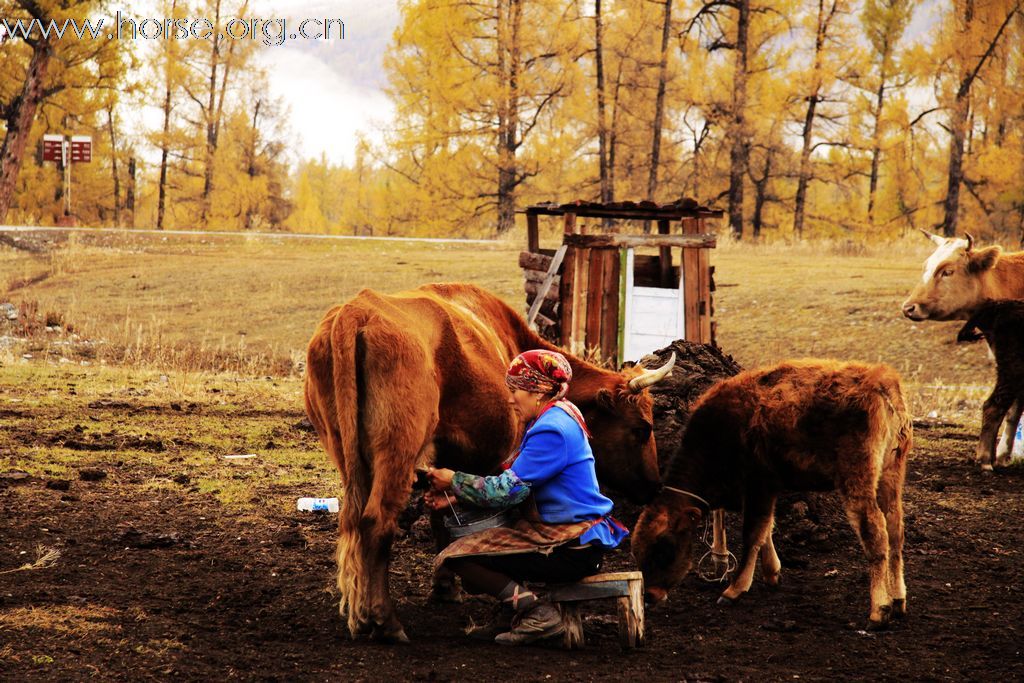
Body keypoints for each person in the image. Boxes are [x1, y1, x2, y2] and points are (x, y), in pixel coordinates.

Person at [425, 349, 628, 646]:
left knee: (457, 557)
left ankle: (537, 612)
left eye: (515, 390)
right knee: (486, 545)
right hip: (569, 537)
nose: (510, 399)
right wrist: (457, 498)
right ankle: (512, 612)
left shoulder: (551, 430)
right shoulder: (561, 413)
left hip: (570, 548)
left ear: (539, 391)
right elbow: (524, 477)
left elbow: (507, 491)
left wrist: (453, 479)